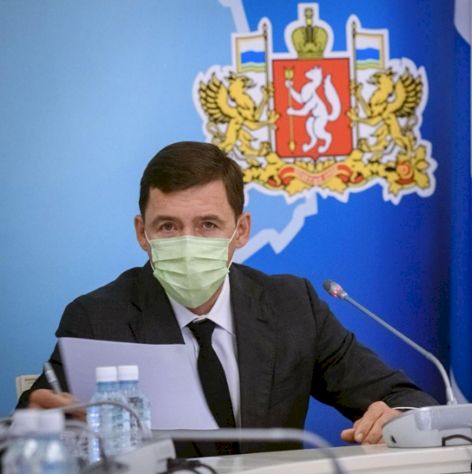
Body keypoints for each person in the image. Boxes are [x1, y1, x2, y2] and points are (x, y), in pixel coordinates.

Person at [19, 141, 436, 455]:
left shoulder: (292, 306)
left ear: (241, 231)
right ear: (142, 233)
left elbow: (408, 401)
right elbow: (33, 420)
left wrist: (397, 417)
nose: (187, 242)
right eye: (168, 226)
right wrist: (39, 427)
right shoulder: (97, 319)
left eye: (207, 224)